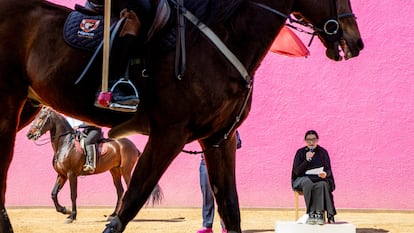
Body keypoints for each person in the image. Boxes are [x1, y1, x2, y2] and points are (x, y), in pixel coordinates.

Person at [197, 131, 242, 233]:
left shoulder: (229, 127)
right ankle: (207, 225)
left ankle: (225, 225)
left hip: (221, 164)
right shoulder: (204, 128)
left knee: (223, 195)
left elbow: (238, 143)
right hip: (205, 163)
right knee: (207, 195)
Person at [291, 130, 336, 225]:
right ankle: (311, 213)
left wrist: (325, 174)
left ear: (317, 140)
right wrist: (307, 160)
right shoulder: (300, 152)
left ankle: (319, 214)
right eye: (308, 140)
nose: (311, 142)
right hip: (302, 179)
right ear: (305, 140)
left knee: (322, 184)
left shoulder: (323, 152)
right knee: (308, 182)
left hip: (318, 178)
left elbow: (328, 169)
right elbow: (296, 171)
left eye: (313, 139)